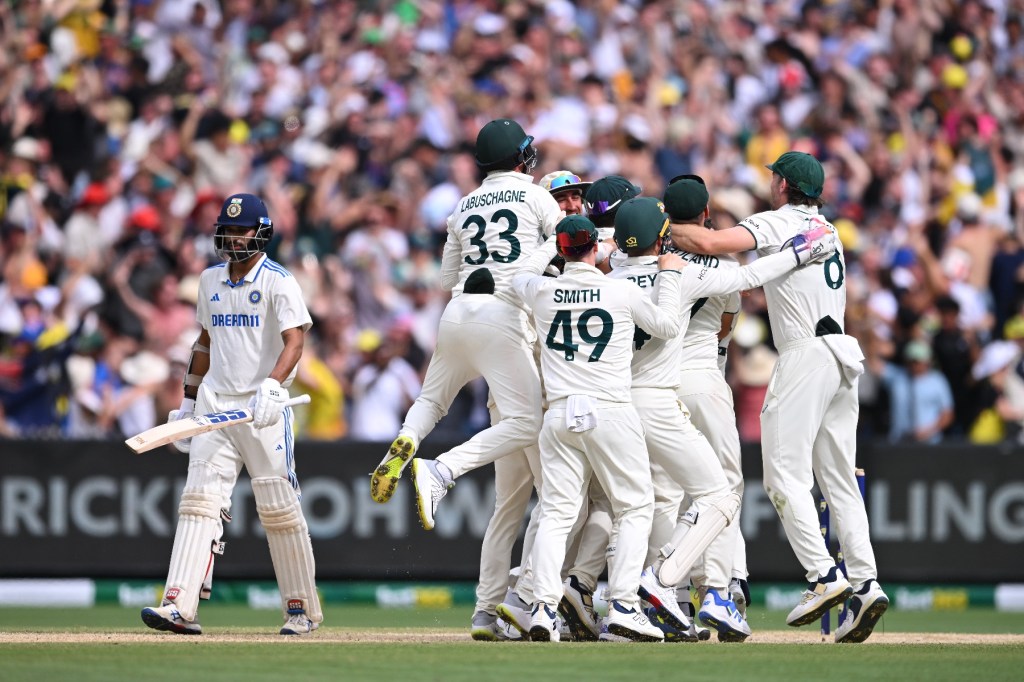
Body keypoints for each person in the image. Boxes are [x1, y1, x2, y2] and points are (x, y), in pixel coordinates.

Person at [669, 151, 889, 643]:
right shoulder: (828, 230)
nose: (770, 183)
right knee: (839, 481)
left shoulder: (776, 221)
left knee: (783, 477)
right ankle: (866, 582)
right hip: (843, 355)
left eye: (774, 177)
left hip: (805, 355)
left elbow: (709, 241)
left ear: (785, 186)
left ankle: (823, 578)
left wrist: (664, 228)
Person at [609, 196, 835, 643]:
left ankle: (627, 604)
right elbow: (747, 283)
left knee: (645, 504)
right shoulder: (683, 269)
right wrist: (800, 250)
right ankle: (699, 588)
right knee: (721, 492)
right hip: (672, 390)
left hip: (615, 400)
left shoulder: (610, 272)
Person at [141, 193, 321, 636]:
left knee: (278, 508)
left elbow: (295, 341)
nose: (233, 237)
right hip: (215, 406)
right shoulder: (209, 281)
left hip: (263, 410)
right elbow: (203, 343)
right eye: (228, 229)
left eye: (241, 230)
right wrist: (187, 401)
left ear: (260, 234)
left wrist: (273, 387)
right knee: (199, 502)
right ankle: (178, 606)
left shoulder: (280, 281)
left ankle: (301, 610)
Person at [370, 118, 561, 529]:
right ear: (518, 156)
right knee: (526, 423)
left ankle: (407, 440)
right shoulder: (535, 195)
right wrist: (536, 265)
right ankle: (443, 469)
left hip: (456, 314)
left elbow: (445, 279)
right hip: (505, 314)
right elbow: (564, 244)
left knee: (432, 401)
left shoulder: (463, 204)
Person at [509, 214, 687, 643]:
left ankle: (542, 610)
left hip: (560, 412)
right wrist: (670, 274)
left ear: (563, 250)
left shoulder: (543, 292)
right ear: (596, 249)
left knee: (555, 512)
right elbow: (667, 326)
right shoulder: (620, 289)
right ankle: (624, 605)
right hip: (609, 408)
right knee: (635, 507)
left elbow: (518, 276)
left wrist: (552, 244)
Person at [665, 176, 751, 616]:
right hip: (703, 379)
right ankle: (718, 589)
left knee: (669, 491)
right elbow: (724, 329)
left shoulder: (646, 257)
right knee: (722, 488)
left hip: (656, 383)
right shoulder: (728, 270)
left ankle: (670, 591)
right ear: (705, 216)